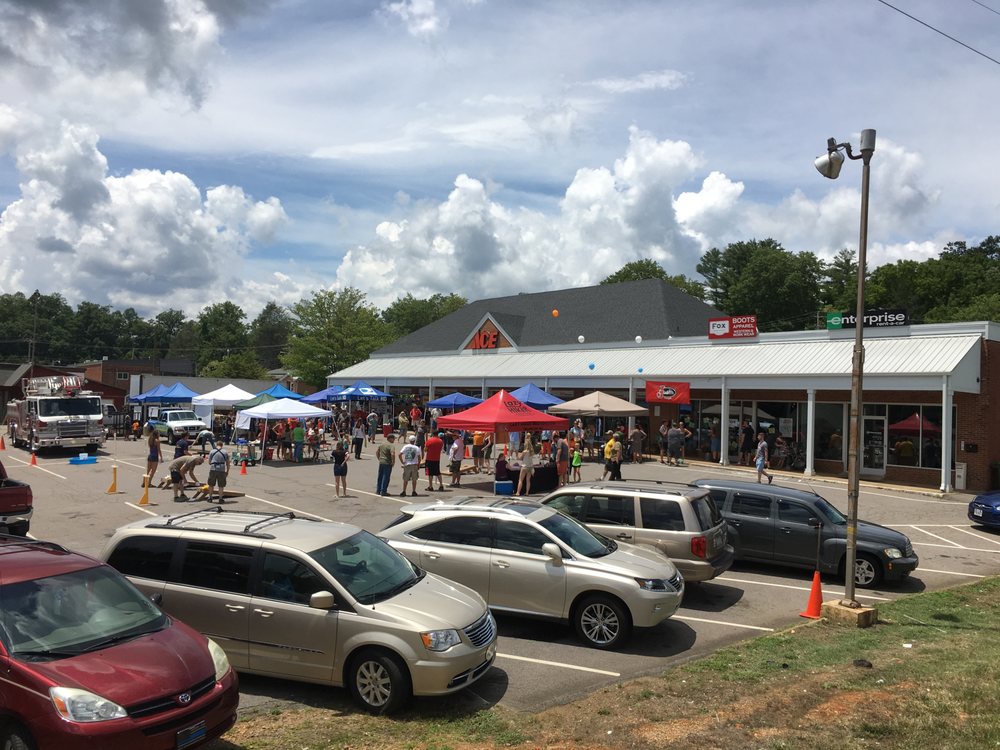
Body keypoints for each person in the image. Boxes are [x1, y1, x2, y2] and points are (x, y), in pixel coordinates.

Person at [143, 424, 162, 488]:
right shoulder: (157, 441)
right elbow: (159, 450)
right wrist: (161, 457)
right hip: (154, 457)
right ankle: (149, 483)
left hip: (150, 456)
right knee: (153, 471)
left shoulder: (150, 439)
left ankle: (144, 482)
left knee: (148, 470)